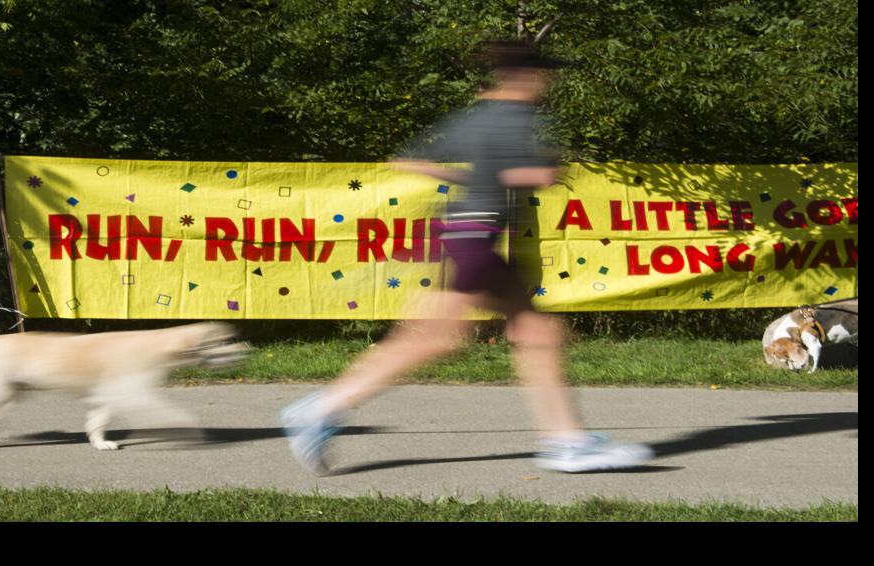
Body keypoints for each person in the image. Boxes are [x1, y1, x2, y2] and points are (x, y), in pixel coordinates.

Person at [280, 41, 653, 474]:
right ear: (527, 76)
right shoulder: (516, 115)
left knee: (536, 332)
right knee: (437, 339)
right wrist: (546, 172)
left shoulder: (474, 115)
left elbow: (409, 161)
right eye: (546, 75)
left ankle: (565, 440)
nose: (548, 83)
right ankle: (321, 409)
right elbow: (514, 173)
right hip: (475, 237)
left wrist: (471, 176)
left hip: (463, 233)